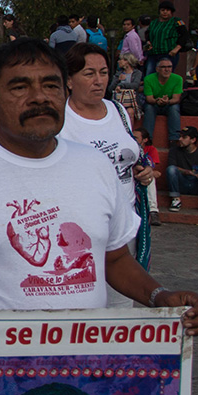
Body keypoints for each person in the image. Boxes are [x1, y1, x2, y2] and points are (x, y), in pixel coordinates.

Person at [0, 39, 198, 332]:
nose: (40, 97)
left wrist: (159, 296)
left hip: (83, 363)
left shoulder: (96, 166)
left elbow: (115, 259)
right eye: (20, 87)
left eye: (51, 85)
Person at [60, 44, 156, 275]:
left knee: (121, 300)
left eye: (103, 73)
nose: (99, 80)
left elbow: (130, 155)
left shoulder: (119, 111)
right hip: (81, 228)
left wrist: (143, 171)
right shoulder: (59, 119)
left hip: (125, 224)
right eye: (89, 73)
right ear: (69, 80)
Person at [165, 126, 198, 213]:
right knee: (171, 169)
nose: (180, 139)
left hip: (197, 184)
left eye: (184, 137)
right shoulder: (174, 151)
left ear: (193, 140)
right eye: (180, 136)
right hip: (182, 183)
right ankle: (176, 200)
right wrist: (188, 172)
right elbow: (172, 166)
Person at [141, 57, 183, 147]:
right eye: (164, 67)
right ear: (157, 69)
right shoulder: (148, 79)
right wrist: (157, 101)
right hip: (154, 104)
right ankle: (147, 139)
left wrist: (167, 101)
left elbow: (176, 99)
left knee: (175, 107)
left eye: (169, 67)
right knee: (149, 107)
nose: (167, 69)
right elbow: (149, 99)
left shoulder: (178, 79)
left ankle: (174, 140)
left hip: (169, 105)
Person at [145, 1, 187, 74]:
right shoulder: (154, 22)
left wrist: (177, 48)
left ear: (171, 11)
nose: (165, 12)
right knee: (150, 74)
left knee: (166, 74)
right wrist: (148, 42)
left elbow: (184, 35)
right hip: (154, 53)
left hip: (169, 53)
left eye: (167, 10)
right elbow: (148, 33)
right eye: (163, 10)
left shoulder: (176, 21)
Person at [134, 127, 160, 225]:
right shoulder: (129, 146)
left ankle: (153, 211)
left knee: (150, 177)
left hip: (141, 175)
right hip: (127, 175)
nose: (133, 139)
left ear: (145, 139)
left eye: (136, 138)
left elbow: (151, 167)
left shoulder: (151, 149)